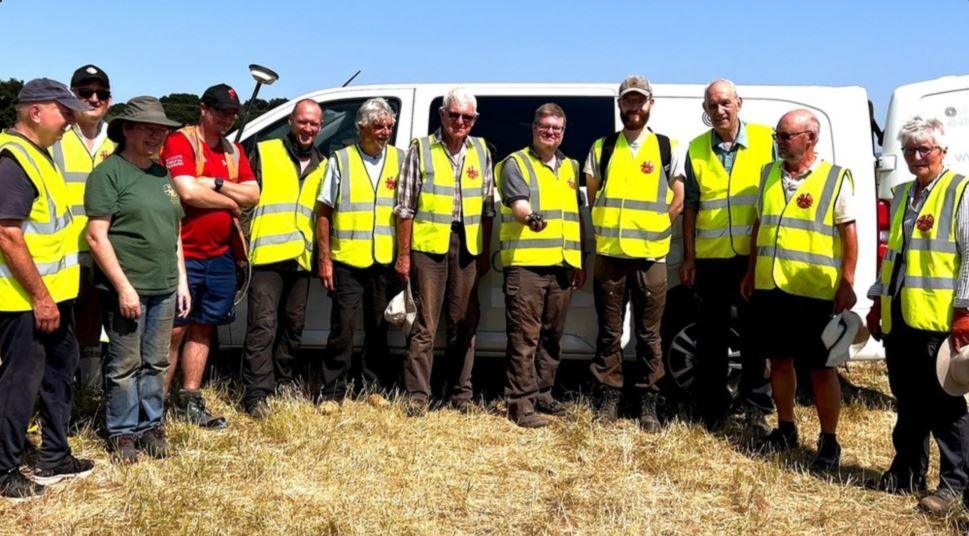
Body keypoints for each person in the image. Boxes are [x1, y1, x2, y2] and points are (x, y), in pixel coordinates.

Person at [740, 109, 857, 471]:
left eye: (786, 136)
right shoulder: (769, 173)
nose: (779, 142)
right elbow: (760, 223)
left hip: (813, 290)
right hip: (770, 283)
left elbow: (848, 233)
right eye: (778, 135)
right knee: (778, 360)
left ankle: (829, 441)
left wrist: (847, 281)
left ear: (810, 138)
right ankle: (786, 427)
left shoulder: (834, 179)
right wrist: (750, 271)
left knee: (822, 369)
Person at [865, 116, 969, 515]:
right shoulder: (903, 192)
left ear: (942, 151)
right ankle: (906, 471)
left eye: (924, 149)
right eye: (909, 149)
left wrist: (964, 311)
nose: (916, 156)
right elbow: (893, 257)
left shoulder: (960, 191)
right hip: (900, 317)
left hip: (939, 320)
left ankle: (955, 486)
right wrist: (877, 302)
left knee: (946, 406)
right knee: (907, 401)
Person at [0, 79, 95, 500]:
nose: (71, 121)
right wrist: (40, 298)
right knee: (20, 382)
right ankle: (4, 470)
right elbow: (8, 236)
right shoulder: (13, 160)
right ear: (35, 111)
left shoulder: (42, 155)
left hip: (54, 296)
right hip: (24, 299)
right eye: (65, 112)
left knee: (61, 369)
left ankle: (54, 455)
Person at [85, 97, 189, 462]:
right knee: (124, 364)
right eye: (147, 128)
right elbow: (97, 236)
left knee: (156, 361)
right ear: (126, 129)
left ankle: (151, 425)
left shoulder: (162, 174)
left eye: (160, 130)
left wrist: (182, 281)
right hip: (128, 288)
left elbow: (173, 232)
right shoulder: (109, 173)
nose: (156, 135)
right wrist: (124, 287)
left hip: (163, 286)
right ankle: (123, 431)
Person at [584, 75, 685, 432]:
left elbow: (679, 197)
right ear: (620, 104)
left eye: (640, 101)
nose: (634, 107)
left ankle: (648, 401)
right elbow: (593, 195)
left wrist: (660, 225)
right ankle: (609, 396)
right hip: (611, 255)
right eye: (628, 101)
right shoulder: (603, 147)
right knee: (609, 332)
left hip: (651, 257)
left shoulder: (666, 147)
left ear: (650, 104)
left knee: (650, 335)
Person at [161, 84, 260, 428]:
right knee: (174, 330)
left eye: (232, 114)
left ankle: (189, 398)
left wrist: (215, 184)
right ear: (203, 109)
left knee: (204, 328)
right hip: (182, 254)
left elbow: (254, 194)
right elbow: (186, 190)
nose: (226, 120)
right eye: (220, 112)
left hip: (220, 255)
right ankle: (156, 406)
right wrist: (230, 201)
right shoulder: (181, 141)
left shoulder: (233, 150)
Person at [680, 79, 774, 433]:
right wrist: (689, 258)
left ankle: (755, 407)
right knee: (712, 336)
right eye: (712, 105)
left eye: (725, 103)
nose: (719, 111)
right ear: (705, 110)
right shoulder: (696, 148)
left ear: (739, 103)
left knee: (756, 337)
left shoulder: (768, 141)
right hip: (712, 258)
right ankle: (712, 408)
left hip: (755, 257)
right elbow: (690, 207)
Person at [394, 88, 495, 414]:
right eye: (454, 115)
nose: (460, 122)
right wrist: (404, 255)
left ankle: (460, 395)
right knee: (426, 325)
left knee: (464, 324)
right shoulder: (421, 149)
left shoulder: (481, 150)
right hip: (429, 248)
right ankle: (418, 397)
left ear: (475, 120)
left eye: (467, 117)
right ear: (441, 115)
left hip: (467, 246)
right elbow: (405, 208)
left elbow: (487, 209)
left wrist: (482, 252)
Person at [496, 103, 586, 428]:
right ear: (534, 128)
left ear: (564, 132)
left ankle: (544, 395)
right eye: (545, 127)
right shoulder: (515, 163)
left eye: (557, 129)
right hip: (527, 266)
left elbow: (576, 218)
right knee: (524, 338)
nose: (551, 133)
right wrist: (531, 217)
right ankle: (520, 405)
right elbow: (518, 204)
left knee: (552, 337)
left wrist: (579, 260)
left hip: (562, 265)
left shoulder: (571, 167)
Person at [241, 99, 325, 418]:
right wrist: (243, 245)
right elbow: (246, 203)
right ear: (291, 121)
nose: (308, 129)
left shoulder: (323, 163)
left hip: (301, 258)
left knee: (294, 325)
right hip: (265, 255)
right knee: (263, 325)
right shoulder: (265, 151)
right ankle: (256, 393)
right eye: (303, 122)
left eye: (314, 124)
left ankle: (281, 381)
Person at [318, 98, 402, 401]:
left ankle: (374, 387)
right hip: (347, 260)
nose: (385, 132)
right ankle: (332, 391)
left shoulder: (400, 159)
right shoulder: (340, 160)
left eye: (389, 126)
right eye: (378, 126)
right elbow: (324, 213)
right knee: (343, 328)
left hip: (383, 258)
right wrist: (324, 259)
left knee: (378, 327)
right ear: (362, 127)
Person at [51, 65, 115, 393]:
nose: (93, 99)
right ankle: (56, 390)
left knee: (93, 317)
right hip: (61, 249)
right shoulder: (55, 137)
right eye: (84, 93)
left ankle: (89, 389)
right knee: (57, 323)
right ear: (70, 95)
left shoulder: (119, 139)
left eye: (100, 93)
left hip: (105, 250)